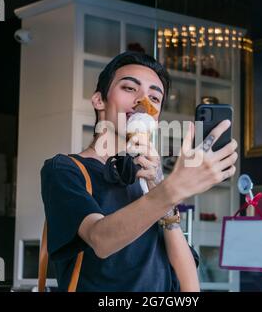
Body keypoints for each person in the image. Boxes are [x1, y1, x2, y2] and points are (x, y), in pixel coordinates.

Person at [40, 51, 238, 292]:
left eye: (155, 97)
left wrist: (163, 190)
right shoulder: (64, 170)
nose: (144, 102)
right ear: (99, 100)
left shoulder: (151, 180)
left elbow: (188, 285)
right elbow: (100, 240)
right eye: (130, 88)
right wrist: (172, 189)